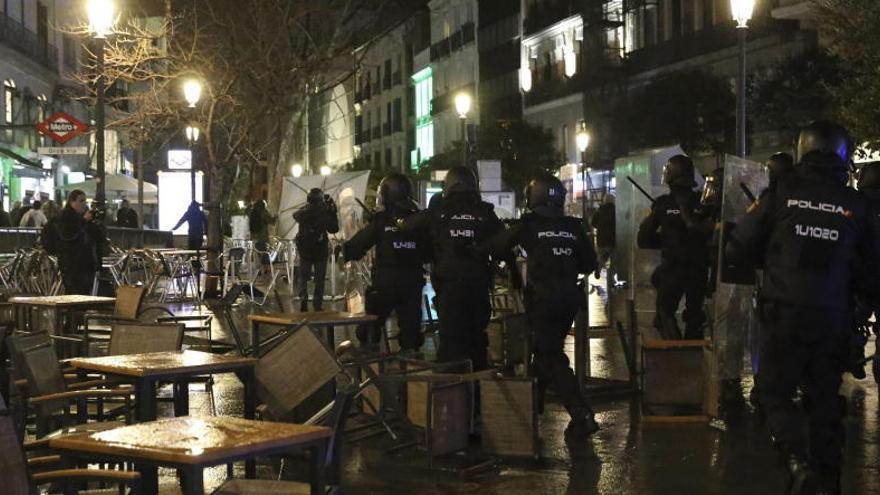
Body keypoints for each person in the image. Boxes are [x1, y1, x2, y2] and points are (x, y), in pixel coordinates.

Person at [726, 121, 880, 494]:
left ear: (802, 151)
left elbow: (738, 245)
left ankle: (797, 460)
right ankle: (828, 481)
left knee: (774, 392)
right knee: (825, 400)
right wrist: (856, 312)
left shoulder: (781, 194)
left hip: (784, 313)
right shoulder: (858, 205)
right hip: (832, 317)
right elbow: (873, 271)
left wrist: (770, 261)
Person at [490, 174, 600, 440]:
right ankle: (532, 408)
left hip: (543, 298)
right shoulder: (574, 226)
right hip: (569, 298)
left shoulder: (529, 224)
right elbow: (588, 264)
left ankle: (581, 413)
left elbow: (497, 246)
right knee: (542, 351)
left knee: (549, 355)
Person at [400, 165, 503, 370]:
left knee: (450, 340)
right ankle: (478, 387)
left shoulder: (438, 211)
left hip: (449, 286)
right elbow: (501, 243)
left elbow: (407, 226)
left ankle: (451, 391)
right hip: (478, 284)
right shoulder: (485, 212)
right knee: (477, 339)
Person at [343, 173, 428, 351]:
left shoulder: (382, 220)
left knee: (371, 320)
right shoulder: (419, 219)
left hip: (385, 284)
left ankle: (371, 353)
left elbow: (357, 246)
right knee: (411, 328)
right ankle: (411, 361)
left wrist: (345, 251)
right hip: (412, 283)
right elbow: (429, 252)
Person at [637, 154, 713, 339]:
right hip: (699, 268)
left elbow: (644, 238)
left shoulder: (663, 204)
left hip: (673, 268)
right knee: (695, 313)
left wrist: (665, 239)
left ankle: (675, 351)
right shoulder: (703, 203)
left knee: (664, 311)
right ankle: (694, 355)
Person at [293, 188, 339, 311]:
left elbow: (296, 215)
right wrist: (332, 211)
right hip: (319, 250)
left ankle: (304, 299)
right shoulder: (323, 213)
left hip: (305, 249)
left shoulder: (304, 212)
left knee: (304, 277)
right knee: (319, 279)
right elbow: (334, 228)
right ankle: (317, 304)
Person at [55, 190, 104, 295]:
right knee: (75, 293)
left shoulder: (81, 216)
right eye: (81, 201)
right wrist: (84, 220)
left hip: (85, 264)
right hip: (73, 264)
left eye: (85, 201)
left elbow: (96, 236)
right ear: (72, 202)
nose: (84, 204)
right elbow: (69, 235)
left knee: (84, 292)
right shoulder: (66, 216)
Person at [591, 194, 615, 279]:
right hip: (612, 240)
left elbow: (593, 223)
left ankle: (598, 267)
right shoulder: (616, 211)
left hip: (601, 239)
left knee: (601, 257)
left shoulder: (599, 211)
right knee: (613, 260)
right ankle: (611, 278)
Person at [248, 199, 277, 267]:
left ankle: (258, 270)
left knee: (256, 256)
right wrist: (276, 217)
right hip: (262, 238)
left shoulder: (252, 213)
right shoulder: (263, 212)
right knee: (264, 255)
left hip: (253, 238)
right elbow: (272, 221)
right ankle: (265, 270)